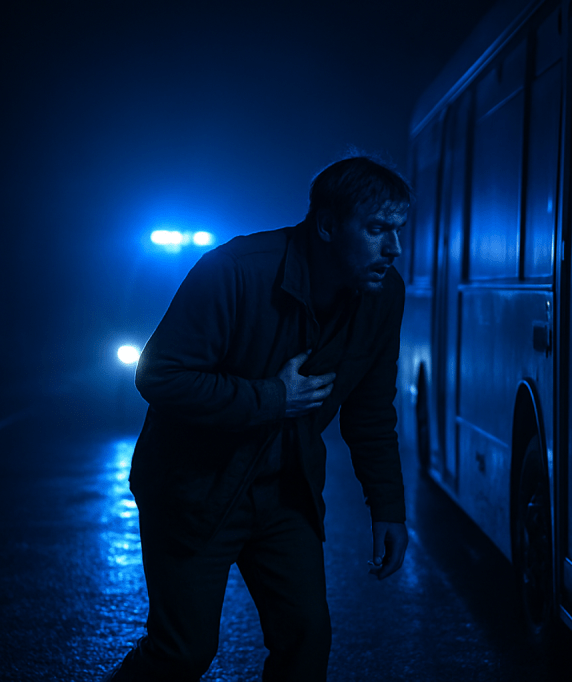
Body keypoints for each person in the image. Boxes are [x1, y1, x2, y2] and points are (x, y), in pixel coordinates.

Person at [106, 155, 411, 681]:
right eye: (378, 229)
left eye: (398, 231)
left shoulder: (383, 296)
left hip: (284, 493)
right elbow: (158, 375)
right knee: (182, 651)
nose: (394, 248)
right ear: (326, 225)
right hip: (194, 489)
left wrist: (388, 508)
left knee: (307, 642)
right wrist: (272, 397)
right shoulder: (236, 270)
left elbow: (370, 412)